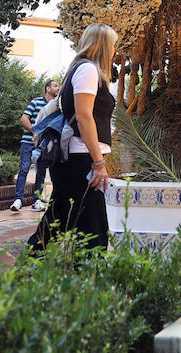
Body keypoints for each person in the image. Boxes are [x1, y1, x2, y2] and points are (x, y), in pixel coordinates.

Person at [31, 24, 118, 250]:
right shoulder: (88, 70)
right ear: (103, 46)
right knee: (93, 229)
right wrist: (98, 162)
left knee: (60, 220)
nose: (114, 51)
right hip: (81, 159)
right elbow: (84, 117)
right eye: (113, 46)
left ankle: (27, 270)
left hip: (76, 158)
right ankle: (87, 278)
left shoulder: (79, 69)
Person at [11, 79, 59, 212]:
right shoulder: (36, 102)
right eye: (55, 86)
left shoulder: (56, 106)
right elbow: (24, 118)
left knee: (41, 172)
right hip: (28, 141)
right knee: (24, 169)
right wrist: (34, 131)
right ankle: (18, 200)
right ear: (47, 89)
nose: (57, 89)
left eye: (58, 87)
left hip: (44, 144)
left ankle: (36, 201)